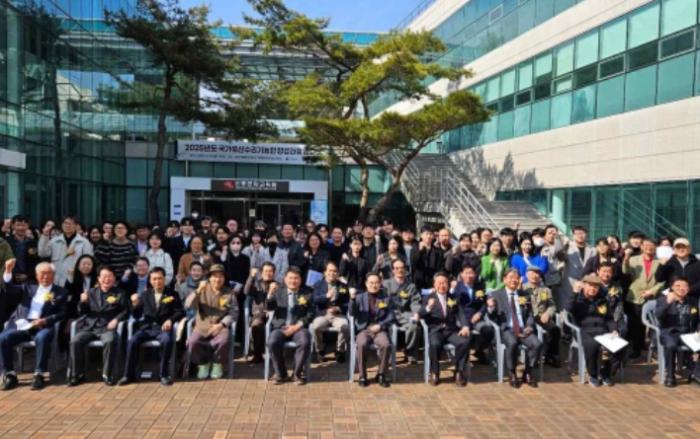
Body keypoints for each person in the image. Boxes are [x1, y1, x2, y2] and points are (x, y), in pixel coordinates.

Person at [0, 261, 66, 390]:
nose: (45, 276)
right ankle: (9, 374)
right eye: (42, 273)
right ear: (36, 276)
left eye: (48, 273)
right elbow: (10, 289)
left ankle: (39, 374)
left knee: (42, 337)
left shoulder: (60, 292)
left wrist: (45, 320)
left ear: (53, 275)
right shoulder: (27, 287)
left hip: (43, 325)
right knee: (2, 338)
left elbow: (63, 313)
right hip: (23, 325)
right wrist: (8, 271)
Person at [119, 267, 184, 386]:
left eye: (160, 278)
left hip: (163, 328)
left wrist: (170, 320)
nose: (157, 281)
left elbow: (180, 311)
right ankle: (128, 375)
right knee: (132, 341)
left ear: (164, 279)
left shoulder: (172, 294)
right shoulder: (145, 294)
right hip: (147, 328)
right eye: (154, 279)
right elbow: (137, 315)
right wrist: (135, 304)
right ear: (150, 280)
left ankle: (163, 375)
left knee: (167, 341)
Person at [68, 266, 129, 386]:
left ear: (114, 278)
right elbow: (82, 312)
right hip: (90, 327)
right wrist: (83, 302)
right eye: (104, 277)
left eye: (110, 276)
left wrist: (116, 320)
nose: (107, 279)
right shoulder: (90, 292)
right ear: (99, 278)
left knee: (110, 341)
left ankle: (107, 374)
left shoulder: (120, 293)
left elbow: (125, 311)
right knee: (75, 341)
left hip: (107, 328)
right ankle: (76, 375)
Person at [485, 269, 543, 388]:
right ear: (504, 280)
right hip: (507, 329)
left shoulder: (524, 295)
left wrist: (529, 326)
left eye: (516, 277)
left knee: (537, 344)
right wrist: (490, 308)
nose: (514, 280)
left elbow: (530, 314)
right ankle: (512, 373)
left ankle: (528, 372)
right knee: (512, 343)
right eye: (511, 277)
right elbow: (491, 316)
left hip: (523, 329)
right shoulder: (496, 295)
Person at [567, 274, 626, 387]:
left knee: (620, 347)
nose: (592, 289)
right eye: (590, 285)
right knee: (593, 346)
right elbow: (569, 309)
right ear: (584, 285)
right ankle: (593, 375)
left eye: (596, 286)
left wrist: (614, 330)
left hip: (602, 330)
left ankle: (606, 373)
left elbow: (609, 318)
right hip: (584, 330)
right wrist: (574, 292)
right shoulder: (578, 299)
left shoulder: (602, 300)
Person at [185, 264, 237, 380]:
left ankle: (217, 364)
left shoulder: (229, 293)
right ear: (209, 277)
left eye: (220, 276)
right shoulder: (202, 289)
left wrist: (221, 324)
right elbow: (188, 305)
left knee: (223, 341)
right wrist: (198, 290)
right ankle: (203, 364)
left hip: (220, 326)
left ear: (224, 278)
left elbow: (234, 312)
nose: (217, 279)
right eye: (214, 276)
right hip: (202, 326)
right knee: (192, 342)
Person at [420, 272, 471, 387]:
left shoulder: (453, 297)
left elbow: (461, 313)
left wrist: (465, 326)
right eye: (439, 283)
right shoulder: (428, 298)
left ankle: (459, 371)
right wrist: (429, 307)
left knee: (464, 341)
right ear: (434, 285)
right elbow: (421, 313)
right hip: (436, 331)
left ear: (448, 284)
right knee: (434, 344)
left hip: (451, 330)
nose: (442, 286)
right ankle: (435, 372)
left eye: (444, 283)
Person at [266, 266, 313, 385]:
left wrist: (296, 326)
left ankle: (297, 374)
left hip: (299, 328)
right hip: (281, 327)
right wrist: (270, 293)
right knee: (272, 341)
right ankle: (281, 374)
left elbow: (311, 314)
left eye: (296, 278)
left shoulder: (307, 293)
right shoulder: (278, 291)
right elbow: (269, 307)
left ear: (300, 280)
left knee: (305, 341)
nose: (293, 281)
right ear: (285, 279)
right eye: (290, 278)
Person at [349, 272, 395, 388]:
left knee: (386, 344)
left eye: (376, 283)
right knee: (361, 343)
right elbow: (352, 313)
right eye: (371, 283)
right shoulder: (359, 297)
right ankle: (362, 375)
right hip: (364, 329)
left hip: (380, 330)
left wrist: (380, 325)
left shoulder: (386, 298)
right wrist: (352, 299)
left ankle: (381, 374)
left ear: (380, 284)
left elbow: (391, 316)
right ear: (366, 284)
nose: (374, 285)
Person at [655, 277, 700, 387]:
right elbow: (658, 315)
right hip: (670, 332)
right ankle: (670, 375)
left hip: (688, 334)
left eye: (685, 286)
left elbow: (698, 319)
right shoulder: (663, 299)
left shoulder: (692, 301)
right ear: (672, 287)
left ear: (688, 288)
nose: (681, 288)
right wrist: (668, 302)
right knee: (671, 345)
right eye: (678, 286)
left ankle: (695, 374)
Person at [622, 237, 663, 358]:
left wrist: (652, 291)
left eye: (651, 245)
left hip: (652, 296)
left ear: (655, 247)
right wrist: (625, 259)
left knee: (653, 323)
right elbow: (625, 271)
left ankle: (652, 348)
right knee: (635, 324)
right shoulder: (634, 259)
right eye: (646, 245)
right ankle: (636, 348)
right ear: (641, 247)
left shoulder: (660, 262)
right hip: (635, 295)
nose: (649, 247)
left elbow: (663, 281)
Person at [310, 261, 350, 363]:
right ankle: (320, 350)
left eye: (335, 271)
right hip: (323, 313)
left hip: (338, 314)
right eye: (330, 270)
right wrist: (326, 296)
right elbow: (314, 300)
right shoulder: (318, 284)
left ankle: (340, 351)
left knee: (344, 326)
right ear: (325, 272)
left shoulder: (343, 286)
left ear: (338, 273)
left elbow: (348, 303)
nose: (332, 273)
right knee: (316, 326)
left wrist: (339, 308)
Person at [453, 264, 493, 364]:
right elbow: (457, 307)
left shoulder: (479, 286)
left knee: (488, 330)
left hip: (476, 318)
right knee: (466, 335)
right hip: (461, 318)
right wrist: (464, 324)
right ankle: (463, 360)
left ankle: (479, 350)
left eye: (471, 273)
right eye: (466, 273)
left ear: (475, 274)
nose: (469, 276)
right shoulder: (457, 287)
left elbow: (483, 303)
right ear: (462, 274)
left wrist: (479, 313)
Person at [383, 259, 421, 364]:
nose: (400, 270)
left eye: (402, 268)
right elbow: (382, 300)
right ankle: (388, 357)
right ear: (393, 270)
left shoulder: (411, 286)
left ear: (405, 269)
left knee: (414, 327)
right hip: (389, 313)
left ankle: (410, 354)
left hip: (405, 314)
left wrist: (416, 313)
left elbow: (415, 302)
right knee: (387, 328)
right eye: (397, 268)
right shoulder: (386, 284)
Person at [38, 216, 93, 287]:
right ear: (62, 225)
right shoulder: (54, 241)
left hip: (76, 279)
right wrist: (45, 236)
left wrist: (78, 270)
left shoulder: (84, 242)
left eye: (70, 223)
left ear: (76, 226)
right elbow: (43, 254)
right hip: (57, 280)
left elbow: (89, 261)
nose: (67, 225)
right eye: (65, 223)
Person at [522, 266, 560, 367]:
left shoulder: (545, 290)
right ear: (527, 275)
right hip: (528, 317)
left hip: (541, 317)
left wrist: (548, 313)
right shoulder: (522, 288)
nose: (535, 276)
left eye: (537, 273)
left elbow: (552, 305)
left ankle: (551, 356)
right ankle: (532, 358)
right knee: (531, 331)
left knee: (555, 330)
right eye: (532, 273)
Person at [243, 263, 278, 363]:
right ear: (262, 272)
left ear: (274, 273)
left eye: (270, 271)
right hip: (259, 315)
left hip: (275, 315)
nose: (268, 273)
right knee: (257, 325)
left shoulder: (278, 285)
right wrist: (251, 276)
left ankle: (275, 355)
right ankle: (258, 355)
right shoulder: (256, 284)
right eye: (266, 271)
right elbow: (246, 291)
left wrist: (273, 292)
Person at [558, 226, 596, 311]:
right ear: (573, 235)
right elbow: (561, 257)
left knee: (583, 308)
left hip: (586, 284)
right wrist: (564, 247)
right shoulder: (568, 247)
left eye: (582, 233)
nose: (580, 235)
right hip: (570, 283)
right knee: (567, 307)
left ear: (586, 235)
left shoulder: (593, 249)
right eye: (577, 233)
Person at [6, 215, 38, 284]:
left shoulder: (33, 243)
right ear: (12, 226)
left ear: (27, 226)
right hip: (9, 278)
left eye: (24, 225)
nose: (21, 228)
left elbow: (35, 262)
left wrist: (28, 275)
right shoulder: (6, 242)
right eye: (18, 225)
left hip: (29, 280)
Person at [414, 226, 444, 290]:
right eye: (426, 234)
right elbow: (413, 263)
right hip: (418, 281)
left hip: (432, 282)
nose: (428, 236)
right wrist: (419, 251)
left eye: (430, 234)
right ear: (421, 235)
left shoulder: (438, 251)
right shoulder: (415, 248)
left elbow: (440, 268)